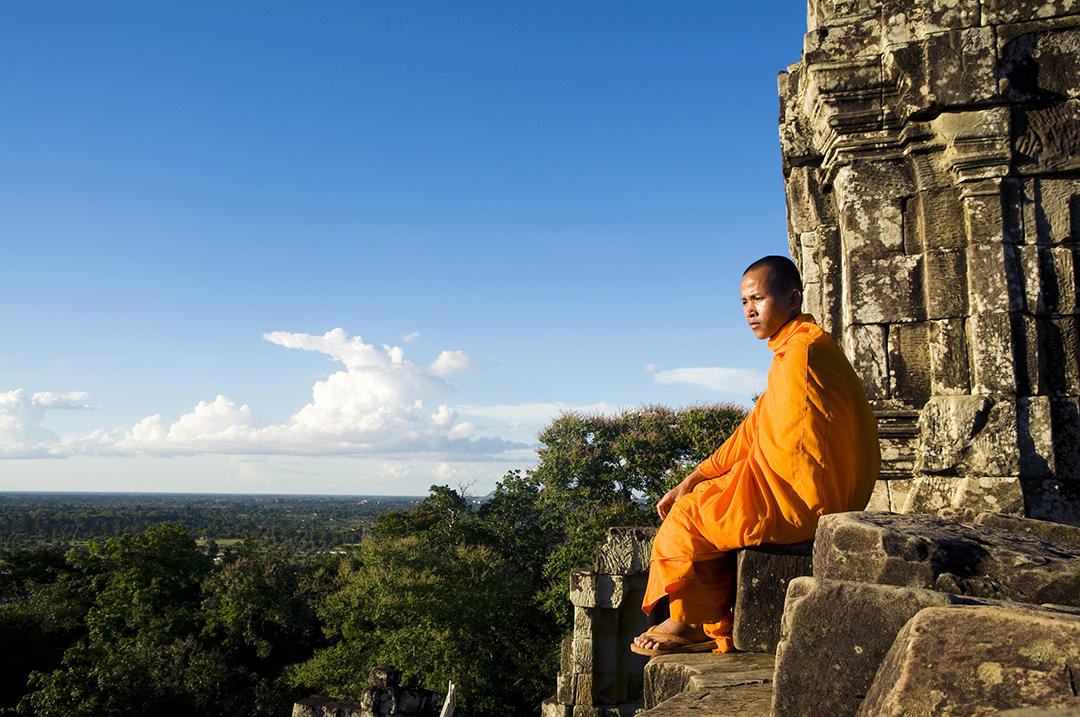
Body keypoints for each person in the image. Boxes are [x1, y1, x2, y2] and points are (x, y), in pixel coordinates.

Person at [631, 255, 880, 655]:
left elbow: (783, 444)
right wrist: (696, 475)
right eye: (744, 302)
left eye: (759, 299)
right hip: (827, 491)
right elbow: (757, 428)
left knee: (688, 516)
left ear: (792, 299)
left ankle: (692, 624)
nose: (749, 310)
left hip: (807, 499)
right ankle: (705, 617)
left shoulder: (803, 354)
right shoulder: (798, 348)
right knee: (702, 497)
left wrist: (716, 484)